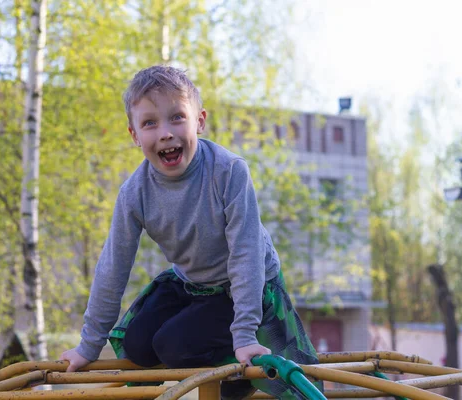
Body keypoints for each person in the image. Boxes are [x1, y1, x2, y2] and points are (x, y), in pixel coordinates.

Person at [59, 65, 321, 399]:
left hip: (246, 286)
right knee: (138, 344)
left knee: (175, 346)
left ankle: (236, 380)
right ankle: (204, 337)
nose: (165, 133)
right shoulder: (135, 193)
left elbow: (245, 255)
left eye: (177, 117)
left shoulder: (228, 172)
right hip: (192, 284)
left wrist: (244, 335)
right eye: (150, 123)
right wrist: (88, 345)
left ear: (199, 120)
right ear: (134, 135)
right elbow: (113, 268)